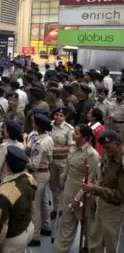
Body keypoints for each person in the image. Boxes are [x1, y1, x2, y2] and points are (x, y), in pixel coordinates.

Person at [55, 124, 100, 253]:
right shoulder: (73, 148)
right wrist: (62, 181)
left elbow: (91, 181)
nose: (73, 134)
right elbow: (68, 168)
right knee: (66, 224)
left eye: (76, 133)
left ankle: (89, 247)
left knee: (87, 227)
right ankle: (61, 250)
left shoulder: (92, 155)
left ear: (85, 137)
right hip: (68, 189)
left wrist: (77, 198)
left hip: (83, 196)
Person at [0, 146, 37, 252]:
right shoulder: (29, 179)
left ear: (6, 165)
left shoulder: (4, 194)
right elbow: (32, 207)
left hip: (14, 238)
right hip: (28, 228)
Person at [84, 130, 124, 253]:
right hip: (102, 204)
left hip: (115, 211)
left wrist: (96, 189)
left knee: (113, 245)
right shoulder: (108, 155)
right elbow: (102, 175)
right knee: (95, 241)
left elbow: (120, 196)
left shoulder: (122, 164)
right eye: (103, 148)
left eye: (107, 148)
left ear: (118, 145)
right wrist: (95, 188)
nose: (105, 151)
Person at [24, 113, 54, 246]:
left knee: (35, 205)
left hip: (38, 174)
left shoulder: (41, 143)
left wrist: (23, 160)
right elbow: (28, 147)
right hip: (45, 172)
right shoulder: (46, 137)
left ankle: (35, 237)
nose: (32, 124)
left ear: (38, 125)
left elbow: (33, 164)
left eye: (34, 122)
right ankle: (46, 227)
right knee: (43, 203)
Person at [49, 107, 74, 219]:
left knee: (62, 186)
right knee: (53, 186)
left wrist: (54, 149)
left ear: (65, 117)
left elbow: (70, 147)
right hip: (51, 161)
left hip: (63, 161)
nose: (58, 117)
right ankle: (55, 208)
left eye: (61, 115)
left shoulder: (69, 129)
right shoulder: (49, 125)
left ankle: (62, 208)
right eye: (56, 114)